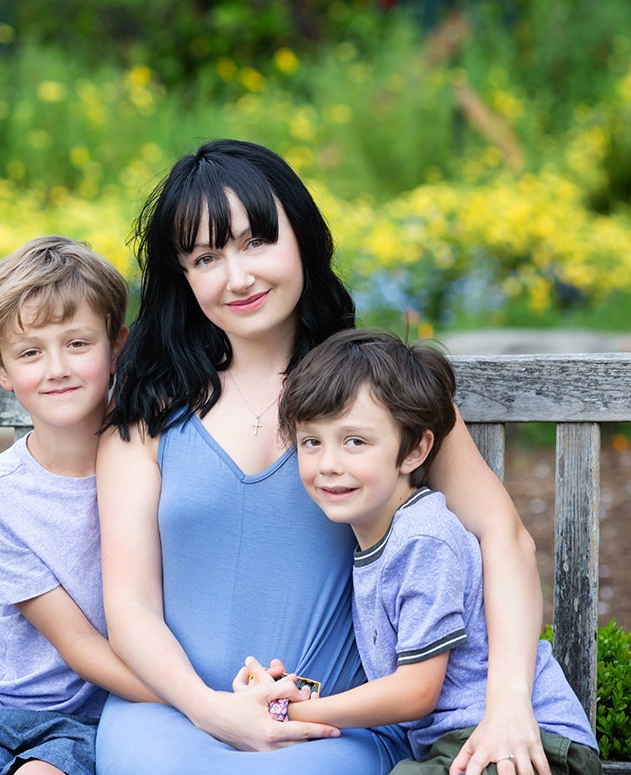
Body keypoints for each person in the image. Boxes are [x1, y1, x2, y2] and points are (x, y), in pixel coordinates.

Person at [95, 138, 550, 775]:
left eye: (257, 241)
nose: (238, 277)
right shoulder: (146, 413)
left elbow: (504, 537)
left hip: (334, 726)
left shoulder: (380, 390)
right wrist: (212, 710)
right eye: (206, 257)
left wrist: (508, 704)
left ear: (302, 238)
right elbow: (131, 606)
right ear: (184, 277)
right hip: (172, 715)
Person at [272, 328, 601, 775]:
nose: (328, 463)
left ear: (415, 450)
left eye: (355, 441)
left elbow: (417, 691)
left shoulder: (422, 539)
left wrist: (291, 714)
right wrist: (290, 691)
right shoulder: (381, 540)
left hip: (530, 744)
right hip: (461, 745)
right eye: (312, 441)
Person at [0, 235, 161, 775]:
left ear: (117, 346)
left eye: (77, 343)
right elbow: (77, 643)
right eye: (30, 353)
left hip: (98, 718)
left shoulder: (154, 459)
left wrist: (188, 701)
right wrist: (193, 700)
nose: (56, 368)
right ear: (1, 370)